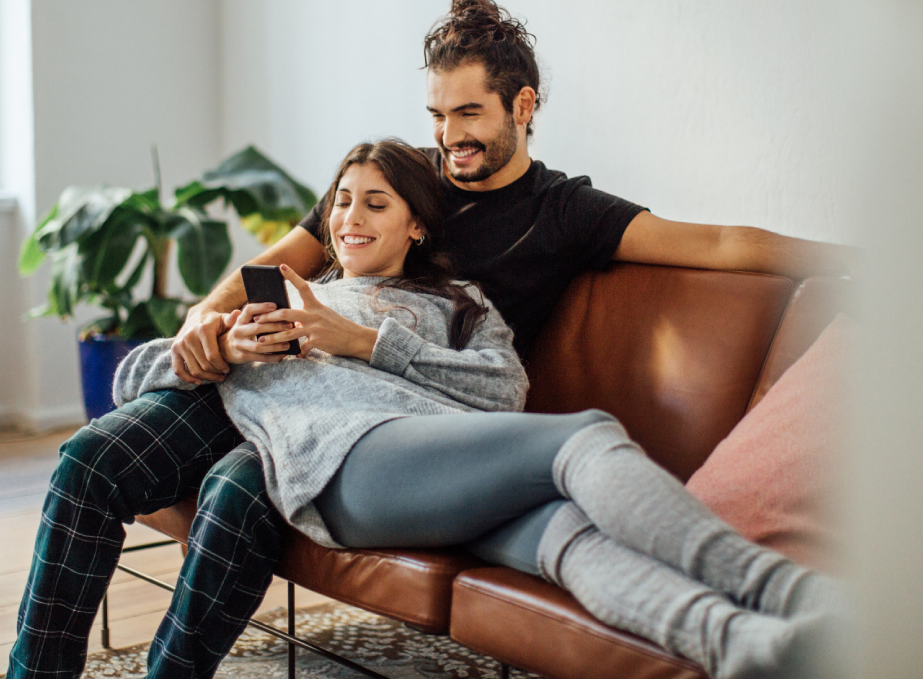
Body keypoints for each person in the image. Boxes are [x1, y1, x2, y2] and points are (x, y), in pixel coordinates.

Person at [9, 0, 852, 679]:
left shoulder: (560, 213)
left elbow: (717, 245)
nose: (450, 138)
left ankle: (757, 636)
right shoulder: (400, 175)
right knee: (93, 460)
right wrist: (205, 318)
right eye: (439, 114)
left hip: (405, 422)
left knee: (255, 497)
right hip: (281, 385)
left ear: (524, 107)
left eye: (471, 114)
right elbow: (288, 256)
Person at [117, 139, 843, 679]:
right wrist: (218, 340)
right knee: (584, 436)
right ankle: (788, 591)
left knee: (569, 535)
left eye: (376, 202)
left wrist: (370, 341)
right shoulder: (279, 303)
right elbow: (142, 374)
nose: (351, 218)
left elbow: (503, 390)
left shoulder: (462, 303)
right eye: (341, 202)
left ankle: (745, 645)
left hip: (444, 462)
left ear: (416, 227)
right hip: (344, 463)